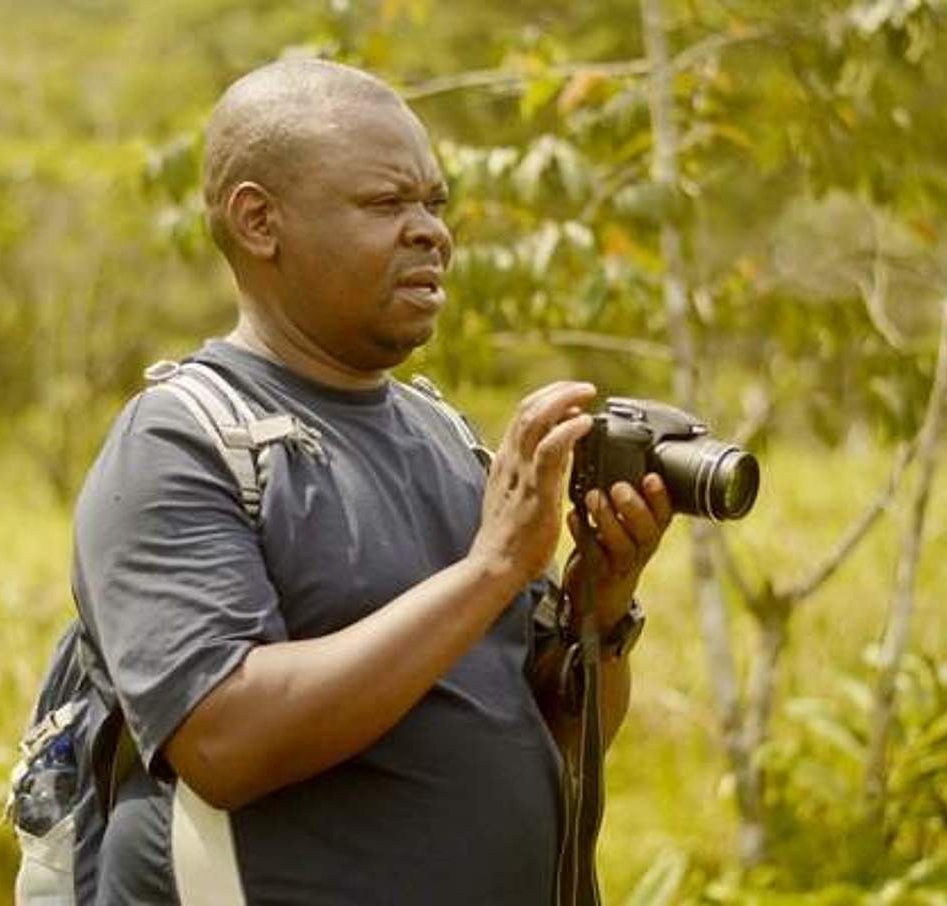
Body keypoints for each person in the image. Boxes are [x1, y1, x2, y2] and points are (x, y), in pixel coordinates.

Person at [71, 58, 673, 905]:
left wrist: (598, 613)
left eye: (435, 204)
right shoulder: (179, 444)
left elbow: (564, 737)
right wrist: (491, 569)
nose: (431, 232)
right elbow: (224, 742)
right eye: (387, 204)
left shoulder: (448, 436)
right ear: (258, 222)